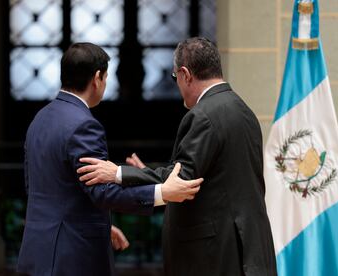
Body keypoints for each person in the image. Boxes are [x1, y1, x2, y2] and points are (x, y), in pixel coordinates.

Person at [77, 37, 277, 276]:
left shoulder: (203, 115)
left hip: (215, 255)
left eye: (175, 78)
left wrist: (117, 173)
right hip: (246, 247)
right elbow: (211, 174)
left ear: (185, 74)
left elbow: (182, 180)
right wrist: (148, 172)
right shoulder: (243, 110)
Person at [17, 42, 203, 276]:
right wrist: (162, 192)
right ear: (97, 78)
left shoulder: (40, 118)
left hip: (37, 249)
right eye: (106, 77)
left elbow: (39, 185)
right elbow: (102, 191)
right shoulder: (84, 125)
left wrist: (99, 224)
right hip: (71, 255)